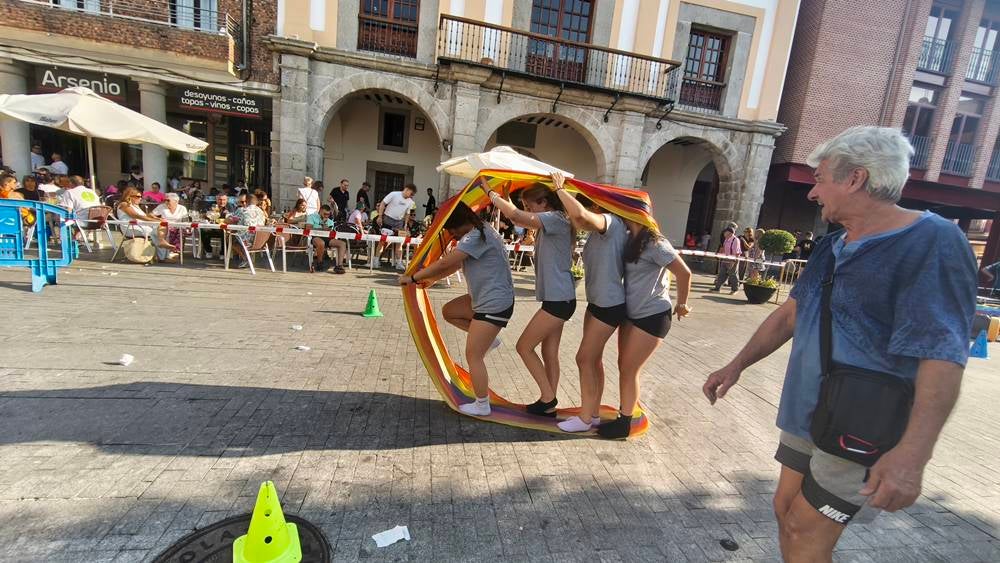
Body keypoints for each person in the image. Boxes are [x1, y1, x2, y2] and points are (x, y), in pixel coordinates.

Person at [702, 126, 977, 561]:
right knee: (784, 510)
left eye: (821, 178)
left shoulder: (933, 241)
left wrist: (912, 455)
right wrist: (736, 365)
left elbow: (942, 354)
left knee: (805, 528)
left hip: (862, 420)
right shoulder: (831, 247)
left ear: (856, 179)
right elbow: (791, 313)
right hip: (806, 411)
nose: (813, 193)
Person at [398, 202, 515, 417]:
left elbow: (445, 263)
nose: (453, 236)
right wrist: (429, 280)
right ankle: (490, 340)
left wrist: (413, 277)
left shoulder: (476, 236)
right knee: (450, 311)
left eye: (453, 231)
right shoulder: (480, 230)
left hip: (494, 303)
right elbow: (453, 265)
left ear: (463, 224)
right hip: (484, 299)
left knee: (473, 355)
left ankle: (482, 404)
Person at [485, 179, 575, 416]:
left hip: (559, 300)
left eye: (530, 205)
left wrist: (491, 194)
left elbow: (516, 215)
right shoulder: (552, 220)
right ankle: (550, 400)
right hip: (559, 298)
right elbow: (517, 217)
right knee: (549, 352)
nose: (528, 210)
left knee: (524, 346)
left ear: (544, 202)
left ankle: (547, 399)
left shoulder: (556, 218)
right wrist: (506, 196)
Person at [546, 174, 628, 432]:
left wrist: (560, 189)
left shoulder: (611, 221)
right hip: (597, 302)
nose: (590, 206)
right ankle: (591, 413)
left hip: (609, 304)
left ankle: (584, 419)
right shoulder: (600, 229)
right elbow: (576, 220)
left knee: (584, 359)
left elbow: (580, 216)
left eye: (593, 202)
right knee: (593, 360)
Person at [599, 213, 692, 439]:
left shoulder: (656, 243)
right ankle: (627, 412)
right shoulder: (632, 238)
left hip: (652, 314)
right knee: (624, 367)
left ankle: (624, 423)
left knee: (630, 370)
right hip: (631, 313)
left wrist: (682, 304)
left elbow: (684, 273)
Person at [115, 186, 177, 259]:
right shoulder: (124, 204)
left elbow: (144, 216)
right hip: (130, 228)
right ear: (130, 196)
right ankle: (162, 256)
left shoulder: (135, 206)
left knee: (163, 228)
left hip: (140, 226)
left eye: (141, 196)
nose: (140, 198)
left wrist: (156, 218)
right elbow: (136, 216)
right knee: (157, 231)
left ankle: (164, 252)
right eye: (138, 196)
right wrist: (155, 220)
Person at [376, 183, 417, 270]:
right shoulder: (394, 194)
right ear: (407, 189)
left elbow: (407, 213)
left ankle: (398, 263)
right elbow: (383, 203)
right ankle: (375, 260)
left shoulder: (410, 201)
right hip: (388, 219)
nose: (411, 196)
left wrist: (405, 224)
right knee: (383, 241)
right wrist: (380, 216)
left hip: (399, 222)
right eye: (411, 194)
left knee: (400, 242)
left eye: (413, 195)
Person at [227, 193, 267, 268]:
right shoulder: (261, 211)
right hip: (260, 241)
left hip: (248, 241)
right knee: (237, 234)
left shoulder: (242, 210)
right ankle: (246, 257)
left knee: (230, 238)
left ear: (247, 201)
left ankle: (245, 259)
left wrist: (227, 218)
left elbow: (230, 220)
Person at [306, 204, 348, 274]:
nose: (326, 216)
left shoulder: (330, 221)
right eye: (325, 214)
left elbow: (331, 232)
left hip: (327, 237)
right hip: (315, 236)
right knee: (321, 243)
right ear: (320, 211)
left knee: (342, 244)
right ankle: (319, 262)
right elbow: (308, 228)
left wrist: (329, 230)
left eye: (328, 214)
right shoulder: (312, 217)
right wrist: (322, 228)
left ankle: (339, 265)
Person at [712, 227, 742, 293]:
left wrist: (733, 262)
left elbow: (737, 252)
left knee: (733, 275)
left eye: (725, 232)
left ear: (729, 233)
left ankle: (734, 289)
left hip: (733, 259)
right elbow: (724, 248)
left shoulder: (735, 240)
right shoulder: (726, 239)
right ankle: (717, 288)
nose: (724, 233)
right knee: (722, 274)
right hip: (725, 259)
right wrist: (720, 255)